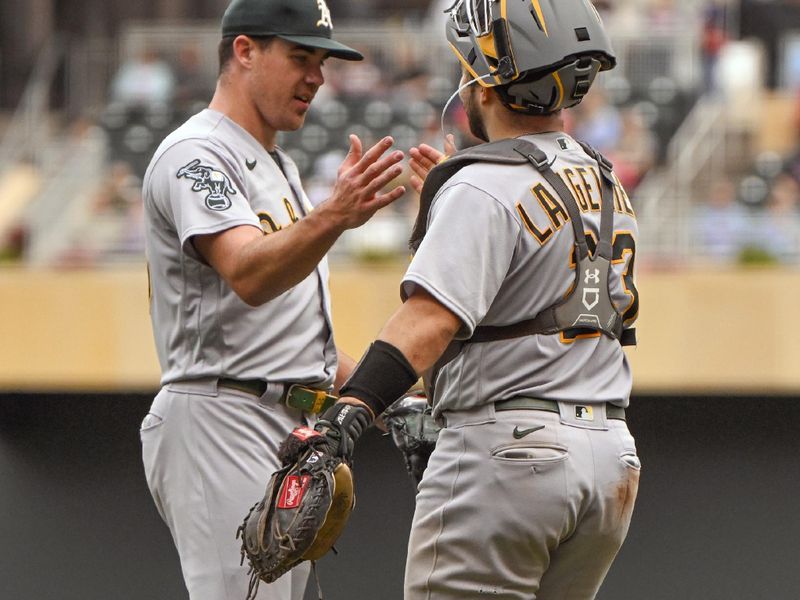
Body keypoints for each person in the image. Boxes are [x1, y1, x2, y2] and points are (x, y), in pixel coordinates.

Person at [295, 1, 642, 598]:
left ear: (484, 84)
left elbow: (430, 320)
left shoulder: (481, 184)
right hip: (610, 460)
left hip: (510, 457)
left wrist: (346, 416)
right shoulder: (602, 177)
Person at [137, 0, 406, 598]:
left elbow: (295, 337)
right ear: (245, 50)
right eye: (300, 56)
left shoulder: (274, 164)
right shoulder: (197, 155)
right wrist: (334, 216)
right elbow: (248, 274)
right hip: (221, 415)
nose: (317, 76)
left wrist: (384, 394)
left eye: (322, 61)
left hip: (285, 420)